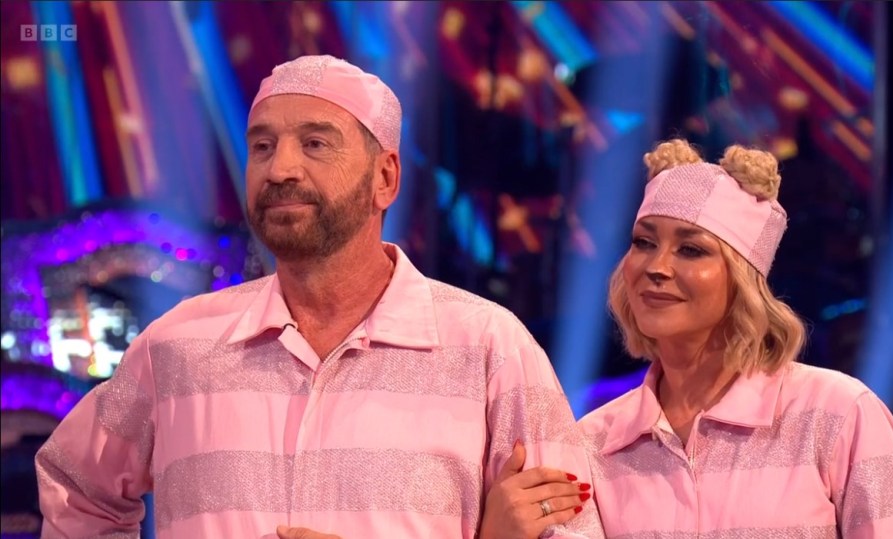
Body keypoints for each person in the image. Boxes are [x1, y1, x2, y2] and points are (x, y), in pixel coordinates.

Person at [35, 55, 603, 539]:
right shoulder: (178, 345)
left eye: (314, 143)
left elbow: (569, 527)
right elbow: (75, 488)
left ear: (385, 178)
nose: (280, 168)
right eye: (262, 146)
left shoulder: (487, 346)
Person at [485, 139, 893, 538]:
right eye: (643, 243)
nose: (656, 267)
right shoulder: (595, 443)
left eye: (691, 249)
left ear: (742, 280)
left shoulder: (836, 413)